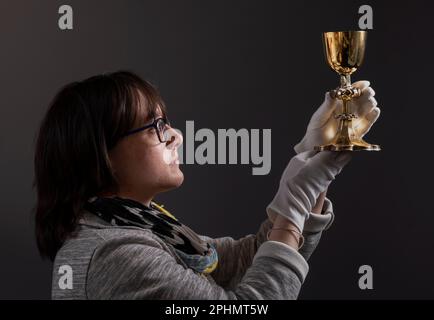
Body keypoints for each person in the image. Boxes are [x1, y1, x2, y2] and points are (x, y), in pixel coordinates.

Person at [33, 71, 380, 299]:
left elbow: (247, 260)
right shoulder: (119, 254)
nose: (176, 136)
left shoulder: (140, 226)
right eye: (154, 127)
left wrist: (314, 158)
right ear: (102, 154)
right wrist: (293, 206)